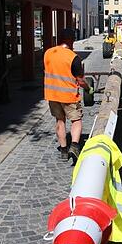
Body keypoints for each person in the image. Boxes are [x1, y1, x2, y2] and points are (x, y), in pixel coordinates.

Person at [43, 28, 88, 163]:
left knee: (60, 121)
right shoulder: (73, 57)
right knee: (76, 120)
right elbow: (80, 80)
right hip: (69, 96)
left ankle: (63, 150)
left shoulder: (48, 53)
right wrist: (88, 88)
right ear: (70, 40)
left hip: (52, 95)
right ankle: (74, 145)